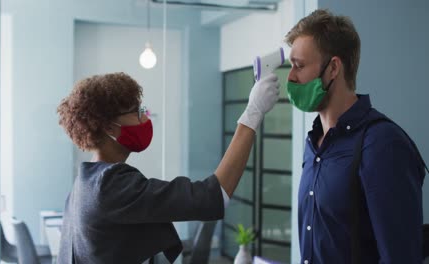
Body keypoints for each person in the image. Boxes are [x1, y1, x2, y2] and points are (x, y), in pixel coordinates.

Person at [56, 72, 280, 263]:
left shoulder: (84, 183)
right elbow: (213, 195)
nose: (145, 117)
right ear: (108, 128)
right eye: (136, 111)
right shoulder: (111, 185)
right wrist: (253, 113)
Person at [285, 9, 426, 263]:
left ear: (333, 68)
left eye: (299, 66)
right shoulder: (313, 145)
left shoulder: (383, 144)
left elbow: (401, 256)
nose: (291, 77)